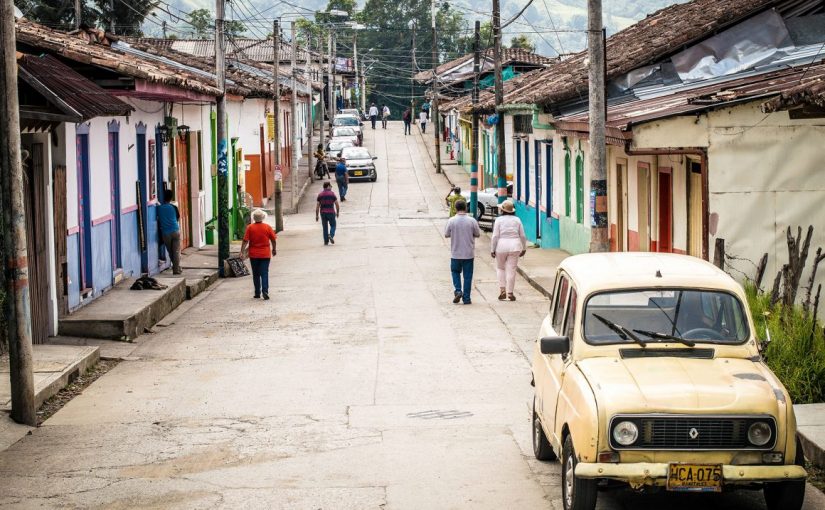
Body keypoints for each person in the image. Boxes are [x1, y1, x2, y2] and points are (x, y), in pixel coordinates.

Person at [444, 200, 480, 305]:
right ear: (466, 208)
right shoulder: (472, 221)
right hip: (468, 254)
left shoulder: (451, 221)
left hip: (455, 253)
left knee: (455, 272)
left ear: (455, 208)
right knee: (468, 276)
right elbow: (477, 234)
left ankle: (458, 290)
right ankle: (466, 298)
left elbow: (446, 234)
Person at [491, 199, 527, 301]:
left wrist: (492, 249)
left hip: (501, 246)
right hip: (515, 246)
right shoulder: (517, 220)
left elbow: (495, 236)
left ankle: (502, 290)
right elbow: (522, 236)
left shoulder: (499, 220)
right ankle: (510, 293)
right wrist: (524, 248)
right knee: (511, 269)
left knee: (500, 268)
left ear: (502, 210)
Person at [241, 209, 277, 300]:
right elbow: (273, 240)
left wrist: (242, 251)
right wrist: (274, 249)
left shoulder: (250, 227)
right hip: (265, 254)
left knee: (256, 274)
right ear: (263, 218)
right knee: (264, 273)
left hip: (254, 255)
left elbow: (245, 241)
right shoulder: (267, 227)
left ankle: (257, 292)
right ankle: (265, 291)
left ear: (254, 218)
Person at [157, 189, 182, 275]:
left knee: (171, 252)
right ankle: (176, 269)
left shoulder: (159, 208)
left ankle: (176, 268)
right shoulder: (174, 207)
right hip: (175, 231)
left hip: (166, 233)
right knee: (176, 251)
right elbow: (178, 218)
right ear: (171, 198)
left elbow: (157, 219)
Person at [316, 181, 340, 245]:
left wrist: (317, 215)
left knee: (325, 227)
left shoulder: (320, 194)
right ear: (328, 186)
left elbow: (317, 206)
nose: (331, 187)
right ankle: (331, 235)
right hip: (331, 212)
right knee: (333, 225)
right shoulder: (332, 194)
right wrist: (337, 212)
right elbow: (337, 204)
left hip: (323, 213)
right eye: (330, 186)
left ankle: (326, 241)